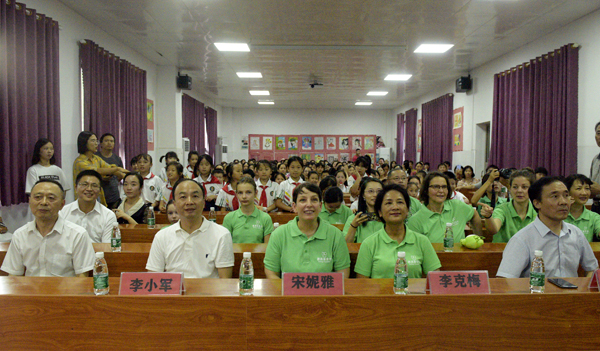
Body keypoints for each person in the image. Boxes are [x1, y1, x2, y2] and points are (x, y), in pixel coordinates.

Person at [496, 177, 598, 278]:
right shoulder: (522, 239)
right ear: (537, 203)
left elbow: (592, 269)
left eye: (566, 195)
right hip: (537, 293)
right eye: (555, 196)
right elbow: (505, 281)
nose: (563, 202)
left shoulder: (576, 233)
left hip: (572, 293)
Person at [1, 180, 95, 277]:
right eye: (38, 197)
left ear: (62, 204)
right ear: (29, 201)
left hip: (65, 291)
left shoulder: (77, 235)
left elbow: (82, 278)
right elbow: (14, 276)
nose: (44, 202)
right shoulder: (20, 235)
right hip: (30, 291)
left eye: (51, 198)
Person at [146, 179, 234, 278]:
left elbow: (224, 282)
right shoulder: (161, 236)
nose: (189, 202)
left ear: (204, 202)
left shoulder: (221, 234)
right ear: (174, 204)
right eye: (183, 197)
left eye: (195, 196)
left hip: (209, 292)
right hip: (173, 292)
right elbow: (153, 279)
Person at [263, 183, 351, 278]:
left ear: (320, 206)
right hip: (289, 292)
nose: (309, 205)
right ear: (294, 206)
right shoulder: (279, 234)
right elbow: (271, 272)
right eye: (303, 200)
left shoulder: (335, 235)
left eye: (314, 200)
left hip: (326, 292)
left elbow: (343, 273)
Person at [355, 184, 441, 279]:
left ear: (408, 210)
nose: (395, 207)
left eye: (400, 202)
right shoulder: (369, 244)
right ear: (379, 212)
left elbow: (436, 279)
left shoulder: (422, 241)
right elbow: (362, 284)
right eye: (388, 203)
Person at [407, 172, 482, 243]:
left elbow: (474, 214)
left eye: (444, 187)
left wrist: (478, 239)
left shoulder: (457, 206)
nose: (441, 191)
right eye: (436, 187)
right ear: (426, 190)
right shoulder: (416, 221)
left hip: (459, 256)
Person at [59, 170, 118, 243]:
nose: (89, 189)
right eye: (84, 184)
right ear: (76, 188)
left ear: (100, 190)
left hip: (97, 254)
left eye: (94, 185)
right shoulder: (63, 212)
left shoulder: (108, 215)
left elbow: (107, 246)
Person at [479, 170, 537, 243]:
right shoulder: (502, 209)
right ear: (509, 188)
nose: (519, 190)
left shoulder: (538, 211)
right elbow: (493, 230)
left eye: (524, 187)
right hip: (503, 252)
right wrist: (488, 216)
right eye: (515, 187)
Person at [72, 131, 127, 206]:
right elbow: (99, 171)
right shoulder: (79, 162)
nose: (96, 144)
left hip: (98, 197)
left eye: (96, 141)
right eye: (93, 141)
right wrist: (117, 169)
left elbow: (110, 168)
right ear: (84, 143)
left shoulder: (96, 158)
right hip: (84, 200)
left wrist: (128, 175)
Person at [222, 177, 274, 243]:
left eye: (248, 192)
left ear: (256, 193)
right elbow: (226, 246)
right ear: (236, 194)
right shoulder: (229, 218)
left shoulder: (265, 218)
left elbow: (267, 248)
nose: (244, 196)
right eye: (240, 193)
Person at [343, 178, 384, 243]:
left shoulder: (388, 217)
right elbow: (346, 246)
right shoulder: (355, 218)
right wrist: (353, 226)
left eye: (379, 191)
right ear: (363, 195)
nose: (375, 195)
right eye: (370, 191)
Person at [564, 174, 600, 242]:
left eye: (587, 189)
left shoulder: (594, 217)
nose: (584, 193)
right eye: (579, 188)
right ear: (567, 192)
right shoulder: (558, 215)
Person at [95, 133, 125, 209]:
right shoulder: (96, 157)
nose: (109, 143)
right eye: (106, 141)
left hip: (114, 195)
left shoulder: (117, 158)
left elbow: (121, 175)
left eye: (111, 141)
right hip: (98, 195)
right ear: (101, 144)